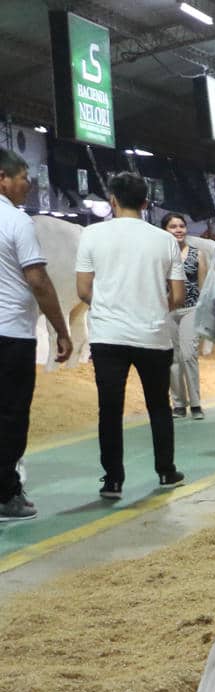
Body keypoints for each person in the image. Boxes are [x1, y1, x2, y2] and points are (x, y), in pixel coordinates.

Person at [75, 171, 186, 500]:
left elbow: (83, 290)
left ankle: (112, 480)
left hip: (108, 337)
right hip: (153, 335)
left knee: (109, 409)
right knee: (159, 406)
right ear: (146, 202)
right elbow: (178, 297)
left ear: (111, 201)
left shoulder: (92, 235)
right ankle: (166, 471)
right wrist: (150, 305)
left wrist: (111, 305)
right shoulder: (165, 240)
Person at [0, 147, 73, 522]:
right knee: (11, 416)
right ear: (3, 179)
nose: (28, 185)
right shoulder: (17, 222)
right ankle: (6, 494)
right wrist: (61, 329)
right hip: (10, 335)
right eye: (24, 178)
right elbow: (38, 280)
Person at [161, 213, 204, 419]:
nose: (178, 230)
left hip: (191, 310)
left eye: (181, 226)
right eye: (173, 226)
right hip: (167, 311)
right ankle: (178, 404)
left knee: (188, 355)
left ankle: (196, 404)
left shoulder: (197, 254)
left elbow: (203, 286)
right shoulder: (160, 256)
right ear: (165, 230)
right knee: (173, 358)